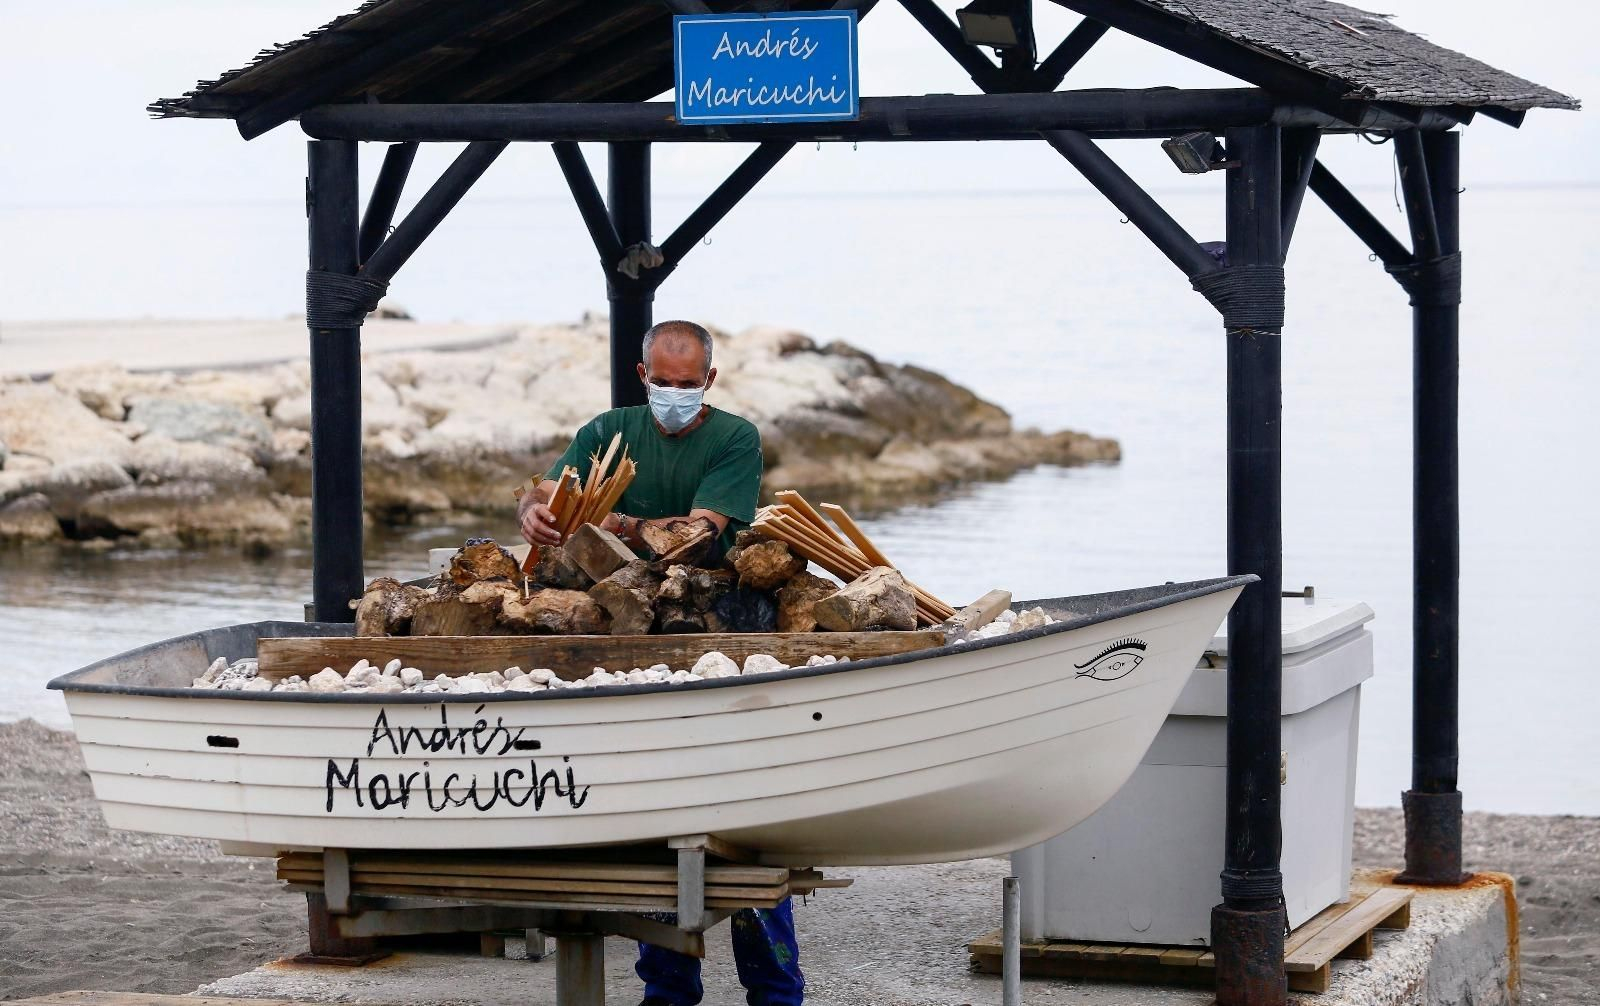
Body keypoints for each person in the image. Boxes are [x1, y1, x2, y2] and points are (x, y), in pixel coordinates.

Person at [516, 319, 804, 1006]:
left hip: (717, 637)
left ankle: (776, 994)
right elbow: (550, 497)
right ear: (642, 376)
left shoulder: (734, 437)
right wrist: (534, 511)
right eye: (662, 382)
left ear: (708, 380)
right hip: (625, 640)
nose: (673, 394)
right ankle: (667, 992)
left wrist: (616, 526)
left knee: (746, 833)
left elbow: (697, 538)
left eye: (687, 384)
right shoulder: (607, 430)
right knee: (653, 824)